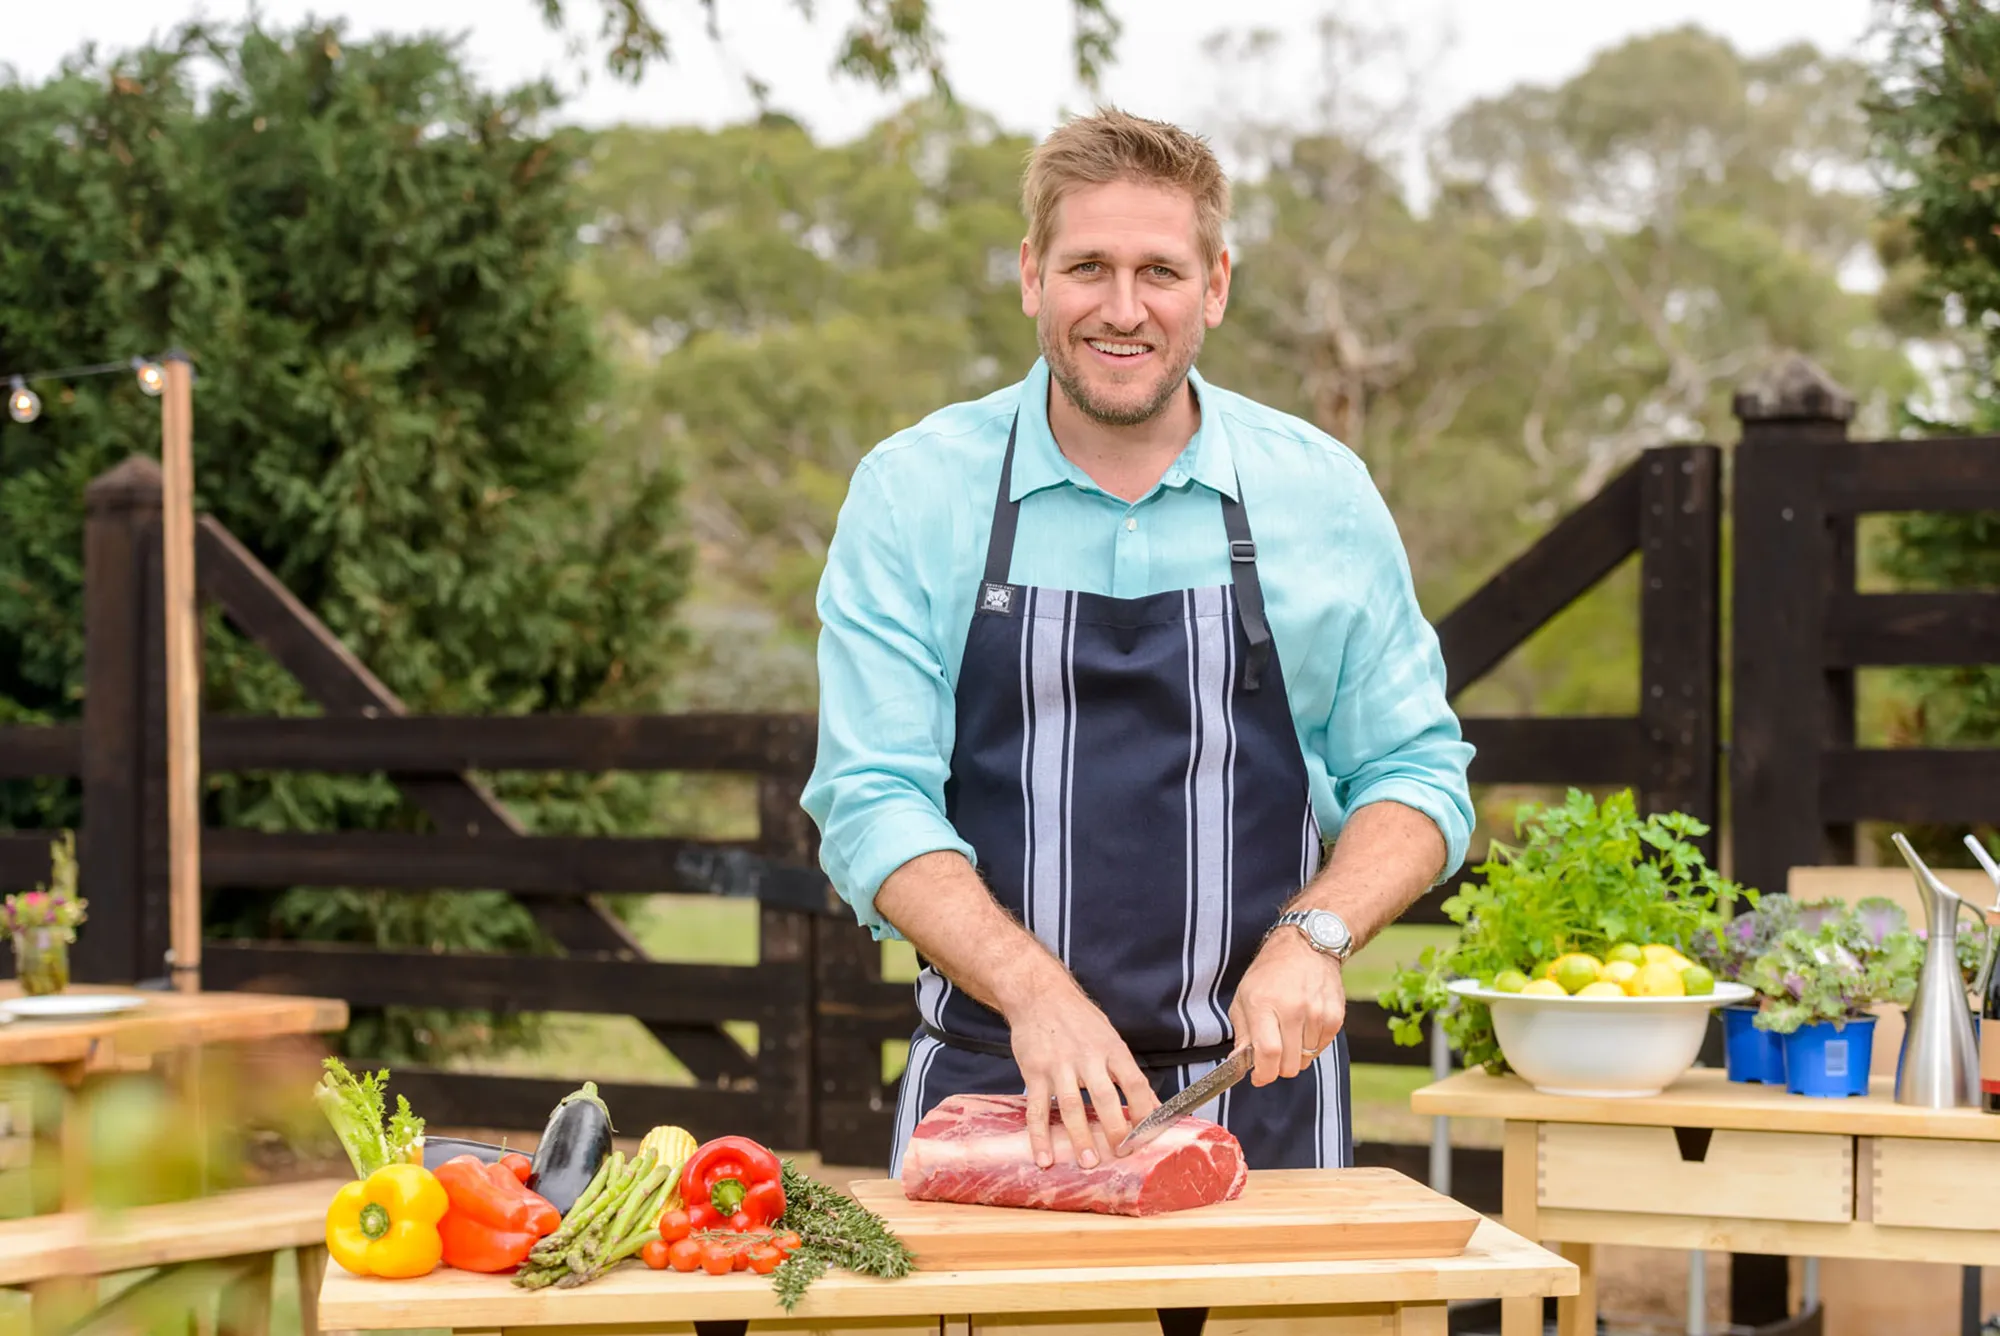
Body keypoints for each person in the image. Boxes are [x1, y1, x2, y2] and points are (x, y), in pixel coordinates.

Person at [800, 106, 1475, 1177]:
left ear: (1212, 285)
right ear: (1032, 277)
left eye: (1158, 271)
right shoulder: (914, 492)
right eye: (1086, 268)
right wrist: (1034, 993)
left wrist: (1316, 935)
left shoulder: (1319, 494)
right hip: (997, 1094)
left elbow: (1415, 771)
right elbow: (871, 795)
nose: (1122, 310)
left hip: (1261, 1102)